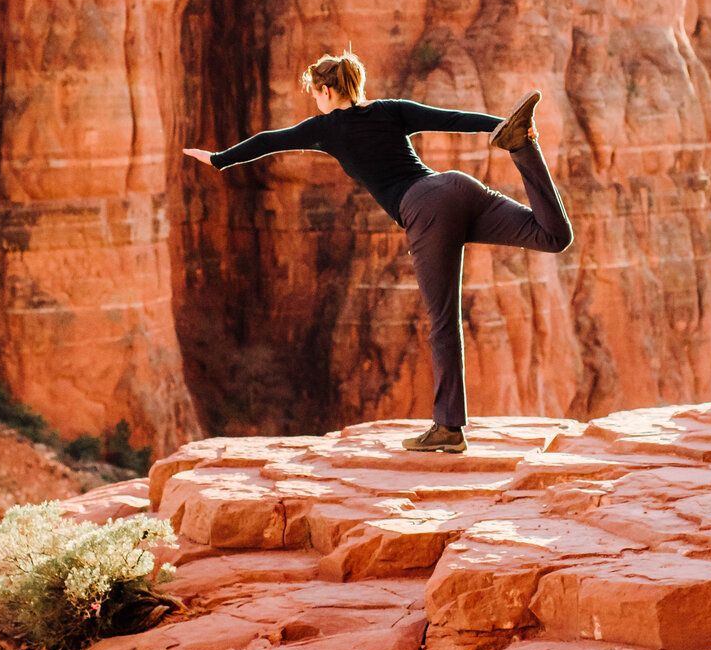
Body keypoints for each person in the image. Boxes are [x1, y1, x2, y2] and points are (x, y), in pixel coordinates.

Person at [184, 50, 572, 454]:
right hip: (458, 188)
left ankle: (448, 428)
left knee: (443, 321)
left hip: (424, 208)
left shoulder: (326, 128)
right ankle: (522, 147)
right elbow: (451, 119)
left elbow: (271, 141)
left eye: (315, 93)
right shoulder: (390, 110)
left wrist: (217, 159)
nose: (315, 100)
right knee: (552, 235)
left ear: (328, 90)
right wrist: (502, 127)